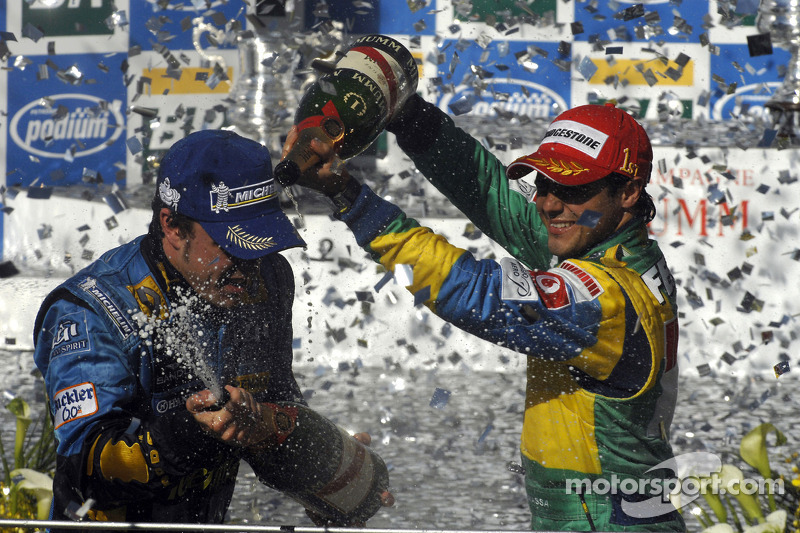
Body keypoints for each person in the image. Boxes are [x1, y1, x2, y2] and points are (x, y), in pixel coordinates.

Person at [282, 100, 684, 532]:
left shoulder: (607, 299)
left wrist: (349, 195)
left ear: (627, 192)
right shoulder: (609, 242)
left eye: (572, 188)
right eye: (543, 183)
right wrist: (407, 115)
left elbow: (475, 292)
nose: (549, 205)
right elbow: (492, 196)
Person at [32, 130, 389, 529]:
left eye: (263, 244)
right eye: (235, 246)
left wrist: (327, 474)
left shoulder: (267, 281)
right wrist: (189, 434)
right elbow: (84, 468)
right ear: (173, 226)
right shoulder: (92, 311)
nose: (250, 267)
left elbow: (277, 405)